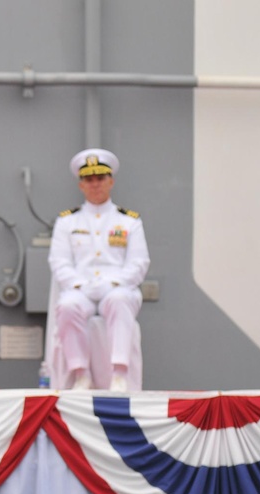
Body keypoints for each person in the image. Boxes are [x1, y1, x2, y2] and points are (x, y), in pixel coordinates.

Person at [47, 148, 150, 391]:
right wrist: (80, 285)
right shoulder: (67, 222)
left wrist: (113, 284)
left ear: (110, 181)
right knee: (68, 306)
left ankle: (119, 373)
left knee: (120, 300)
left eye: (100, 178)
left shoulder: (129, 221)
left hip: (116, 287)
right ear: (81, 185)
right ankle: (81, 373)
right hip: (80, 288)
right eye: (88, 179)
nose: (95, 185)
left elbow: (139, 263)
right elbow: (59, 263)